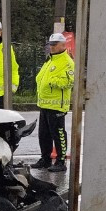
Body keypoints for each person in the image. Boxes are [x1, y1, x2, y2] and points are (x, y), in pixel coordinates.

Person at [35, 32, 74, 172]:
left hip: (57, 105)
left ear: (63, 45)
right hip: (44, 104)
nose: (51, 47)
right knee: (43, 134)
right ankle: (45, 159)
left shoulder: (67, 62)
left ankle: (60, 161)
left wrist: (52, 81)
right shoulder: (49, 60)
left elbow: (69, 82)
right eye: (50, 44)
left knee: (58, 134)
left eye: (54, 44)